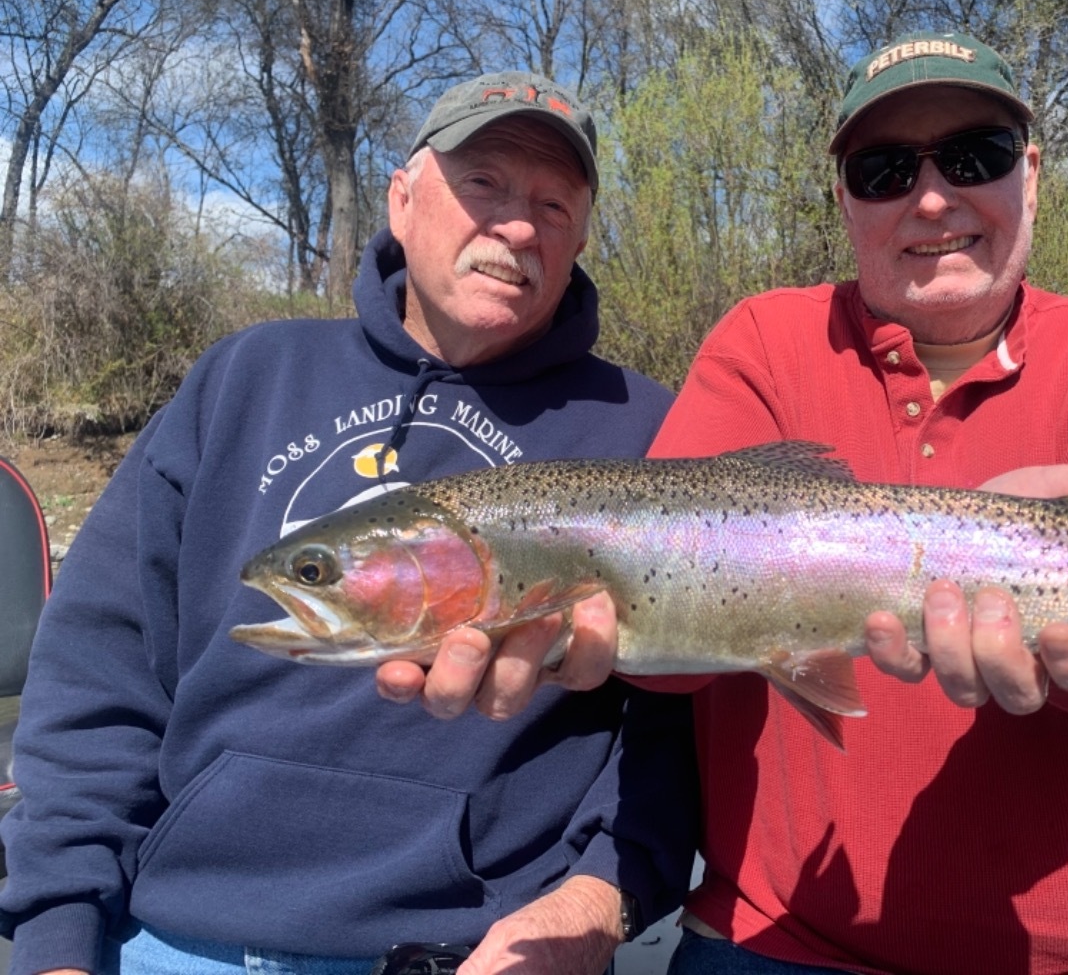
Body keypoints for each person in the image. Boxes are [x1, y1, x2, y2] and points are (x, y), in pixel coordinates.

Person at [378, 32, 1068, 974]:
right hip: (792, 940)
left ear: (1033, 175)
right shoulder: (765, 340)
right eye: (885, 169)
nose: (932, 198)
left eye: (975, 156)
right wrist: (573, 628)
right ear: (845, 201)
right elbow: (671, 665)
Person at [0, 71, 699, 975]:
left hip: (483, 950)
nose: (518, 226)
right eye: (482, 182)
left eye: (554, 204)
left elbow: (685, 731)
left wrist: (598, 898)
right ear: (402, 200)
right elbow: (101, 674)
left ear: (580, 238)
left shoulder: (647, 428)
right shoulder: (247, 377)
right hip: (170, 938)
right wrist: (59, 937)